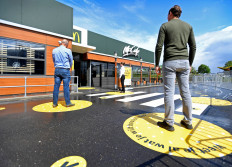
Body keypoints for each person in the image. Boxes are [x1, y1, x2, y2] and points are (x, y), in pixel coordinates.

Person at [155, 5, 196, 131]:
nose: (166, 17)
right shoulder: (188, 26)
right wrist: (189, 63)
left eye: (167, 15)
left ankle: (169, 122)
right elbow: (193, 46)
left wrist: (157, 64)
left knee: (169, 92)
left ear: (170, 13)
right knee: (185, 92)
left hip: (170, 62)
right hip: (184, 62)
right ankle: (188, 121)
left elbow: (159, 46)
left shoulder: (165, 26)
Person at [52, 39, 75, 108]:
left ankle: (54, 103)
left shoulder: (54, 50)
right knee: (66, 87)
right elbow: (71, 60)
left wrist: (57, 66)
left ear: (61, 43)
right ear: (66, 44)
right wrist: (69, 67)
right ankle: (68, 103)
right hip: (65, 70)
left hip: (57, 69)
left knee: (56, 86)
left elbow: (54, 60)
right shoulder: (68, 50)